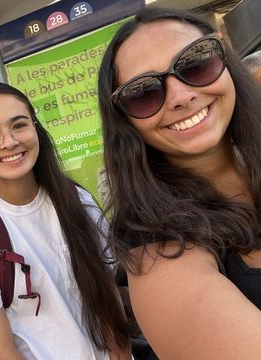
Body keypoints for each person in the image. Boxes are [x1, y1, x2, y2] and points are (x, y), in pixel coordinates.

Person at [97, 7, 261, 359]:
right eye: (143, 92)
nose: (180, 96)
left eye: (195, 63)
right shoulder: (155, 246)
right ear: (123, 118)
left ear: (223, 55)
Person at [0, 82, 130, 359]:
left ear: (36, 129)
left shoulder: (76, 199)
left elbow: (108, 300)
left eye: (19, 125)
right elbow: (2, 353)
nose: (9, 142)